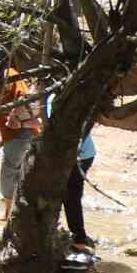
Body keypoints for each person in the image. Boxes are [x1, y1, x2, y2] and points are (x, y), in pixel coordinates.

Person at [0, 45, 43, 222]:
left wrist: (15, 118)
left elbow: (24, 96)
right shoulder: (2, 77)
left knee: (9, 172)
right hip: (15, 134)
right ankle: (16, 212)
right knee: (18, 172)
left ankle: (8, 214)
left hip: (19, 134)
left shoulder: (9, 75)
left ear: (0, 61)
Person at [48, 90, 99, 252]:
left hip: (79, 155)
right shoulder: (67, 98)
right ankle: (68, 232)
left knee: (71, 196)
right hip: (82, 153)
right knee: (65, 193)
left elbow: (63, 130)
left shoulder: (58, 100)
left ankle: (79, 239)